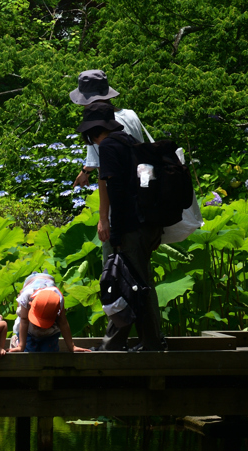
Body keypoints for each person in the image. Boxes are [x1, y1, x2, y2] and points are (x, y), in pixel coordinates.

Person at [77, 102, 164, 351]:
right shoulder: (128, 141)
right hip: (147, 223)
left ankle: (145, 343)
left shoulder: (109, 147)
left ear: (93, 131)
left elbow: (115, 190)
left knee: (131, 284)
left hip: (130, 227)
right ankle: (134, 341)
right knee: (138, 281)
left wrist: (114, 231)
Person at [69, 70, 154, 189]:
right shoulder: (130, 114)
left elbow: (103, 169)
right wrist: (85, 172)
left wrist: (104, 208)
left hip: (122, 191)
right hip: (144, 184)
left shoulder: (97, 126)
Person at [9, 273, 89, 353]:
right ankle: (16, 341)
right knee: (29, 351)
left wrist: (72, 346)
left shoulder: (58, 300)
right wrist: (21, 346)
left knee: (49, 352)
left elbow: (63, 323)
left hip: (50, 332)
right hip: (28, 330)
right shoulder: (26, 297)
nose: (39, 327)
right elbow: (24, 321)